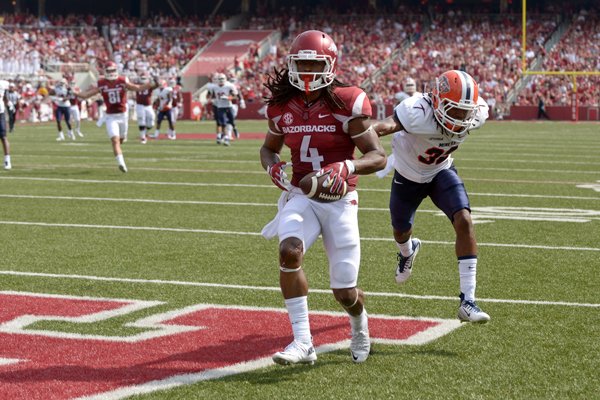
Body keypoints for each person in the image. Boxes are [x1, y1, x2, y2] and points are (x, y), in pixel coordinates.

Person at [259, 30, 386, 365]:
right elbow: (268, 150)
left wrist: (346, 166)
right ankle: (303, 342)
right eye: (300, 64)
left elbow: (377, 156)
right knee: (288, 251)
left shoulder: (348, 101)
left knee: (344, 292)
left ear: (330, 65)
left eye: (314, 65)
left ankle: (359, 324)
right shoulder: (281, 106)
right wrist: (272, 168)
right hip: (301, 194)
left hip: (340, 199)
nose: (306, 72)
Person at [372, 69, 490, 323]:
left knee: (465, 220)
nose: (459, 118)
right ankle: (407, 252)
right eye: (454, 110)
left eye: (464, 112)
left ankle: (468, 300)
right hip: (407, 176)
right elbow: (384, 127)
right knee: (401, 232)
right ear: (436, 100)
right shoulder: (417, 112)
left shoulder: (476, 112)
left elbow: (470, 112)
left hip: (440, 172)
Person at [77, 61, 158, 172]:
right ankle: (121, 163)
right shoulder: (102, 83)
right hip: (110, 116)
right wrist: (74, 92)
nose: (111, 73)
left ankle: (122, 147)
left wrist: (150, 84)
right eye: (109, 70)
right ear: (105, 71)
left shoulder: (122, 80)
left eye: (112, 70)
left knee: (122, 139)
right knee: (115, 141)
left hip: (123, 115)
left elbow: (137, 88)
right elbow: (86, 95)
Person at [211, 73, 238, 146]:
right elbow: (212, 96)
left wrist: (228, 98)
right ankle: (226, 138)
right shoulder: (214, 87)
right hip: (220, 107)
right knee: (223, 123)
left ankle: (235, 128)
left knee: (232, 121)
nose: (221, 81)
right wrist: (213, 100)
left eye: (222, 79)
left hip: (228, 106)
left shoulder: (229, 86)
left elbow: (235, 96)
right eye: (219, 79)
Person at [134, 73, 155, 144]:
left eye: (144, 78)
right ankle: (143, 137)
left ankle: (144, 132)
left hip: (148, 105)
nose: (143, 80)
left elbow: (158, 84)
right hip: (140, 105)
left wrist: (155, 79)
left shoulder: (150, 85)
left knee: (151, 123)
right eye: (142, 78)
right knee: (141, 120)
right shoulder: (136, 85)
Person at [0, 79, 12, 170]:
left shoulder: (3, 83)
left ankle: (7, 160)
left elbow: (5, 97)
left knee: (3, 137)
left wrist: (9, 103)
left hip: (0, 113)